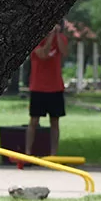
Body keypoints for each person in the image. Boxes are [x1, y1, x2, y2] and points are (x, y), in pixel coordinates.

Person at [26, 23, 70, 156]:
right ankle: (27, 153)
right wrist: (50, 36)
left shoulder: (60, 38)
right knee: (34, 120)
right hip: (38, 86)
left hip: (55, 87)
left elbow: (65, 52)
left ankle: (53, 154)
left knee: (55, 122)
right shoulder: (36, 40)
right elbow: (43, 54)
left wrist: (56, 35)